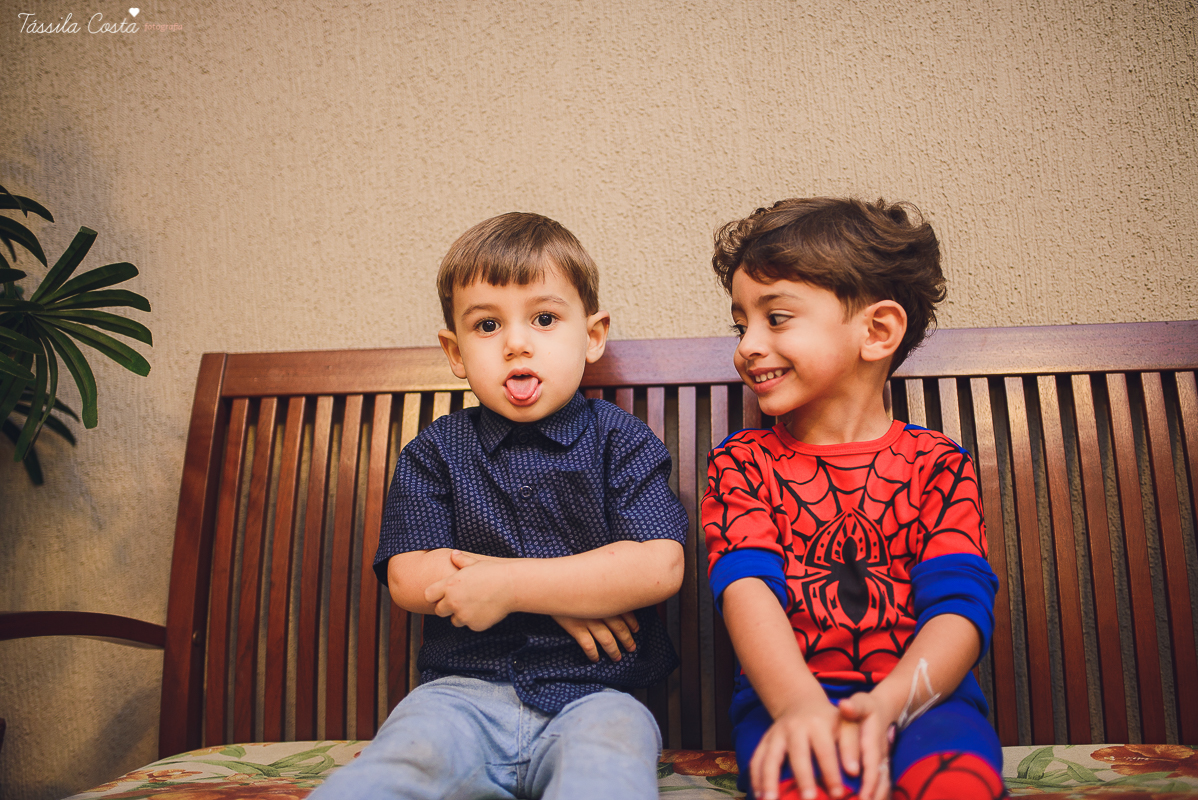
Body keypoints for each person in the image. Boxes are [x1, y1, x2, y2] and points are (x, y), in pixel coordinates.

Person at [311, 212, 687, 800]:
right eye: (487, 325)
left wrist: (511, 586)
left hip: (596, 699)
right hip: (457, 698)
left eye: (543, 318)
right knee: (393, 770)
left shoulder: (623, 442)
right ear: (454, 351)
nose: (516, 343)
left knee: (608, 771)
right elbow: (411, 576)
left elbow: (657, 564)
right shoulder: (436, 450)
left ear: (592, 336)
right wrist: (573, 590)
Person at [701, 198, 1005, 800]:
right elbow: (746, 591)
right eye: (742, 325)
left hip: (926, 700)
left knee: (958, 783)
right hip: (783, 702)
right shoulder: (742, 464)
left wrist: (893, 703)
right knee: (809, 786)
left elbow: (960, 607)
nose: (747, 346)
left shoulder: (937, 464)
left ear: (876, 331)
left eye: (777, 317)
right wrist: (798, 707)